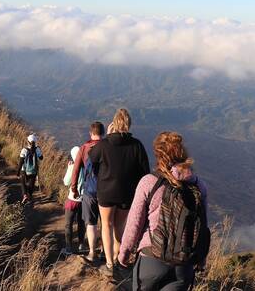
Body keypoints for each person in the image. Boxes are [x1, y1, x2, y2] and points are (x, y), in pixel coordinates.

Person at [118, 132, 209, 291]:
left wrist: (124, 254)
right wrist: (201, 258)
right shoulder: (198, 186)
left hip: (151, 260)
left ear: (159, 155)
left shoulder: (149, 182)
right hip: (184, 265)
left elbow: (134, 224)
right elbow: (202, 226)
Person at [89, 108, 150, 277]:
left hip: (106, 192)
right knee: (119, 227)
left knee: (106, 226)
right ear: (129, 124)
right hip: (127, 194)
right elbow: (145, 172)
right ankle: (117, 259)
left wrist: (108, 136)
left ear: (113, 124)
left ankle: (109, 264)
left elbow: (91, 159)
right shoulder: (137, 146)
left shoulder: (103, 144)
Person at [70, 121, 105, 263]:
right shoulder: (107, 147)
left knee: (91, 222)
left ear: (91, 133)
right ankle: (104, 250)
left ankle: (92, 252)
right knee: (106, 222)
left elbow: (76, 170)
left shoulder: (84, 148)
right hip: (106, 190)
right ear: (103, 133)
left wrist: (74, 188)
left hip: (89, 191)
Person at [61, 146, 85, 257]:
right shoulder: (87, 166)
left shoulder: (72, 167)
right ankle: (81, 245)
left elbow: (66, 182)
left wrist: (68, 168)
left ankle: (69, 247)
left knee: (68, 224)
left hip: (72, 199)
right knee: (81, 223)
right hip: (84, 200)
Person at [19, 134, 43, 204]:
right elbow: (41, 158)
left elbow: (21, 162)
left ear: (28, 142)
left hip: (24, 170)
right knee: (31, 184)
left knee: (23, 182)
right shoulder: (37, 149)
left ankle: (25, 195)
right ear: (35, 142)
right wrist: (38, 153)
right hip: (34, 170)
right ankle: (29, 197)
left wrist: (18, 173)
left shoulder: (24, 150)